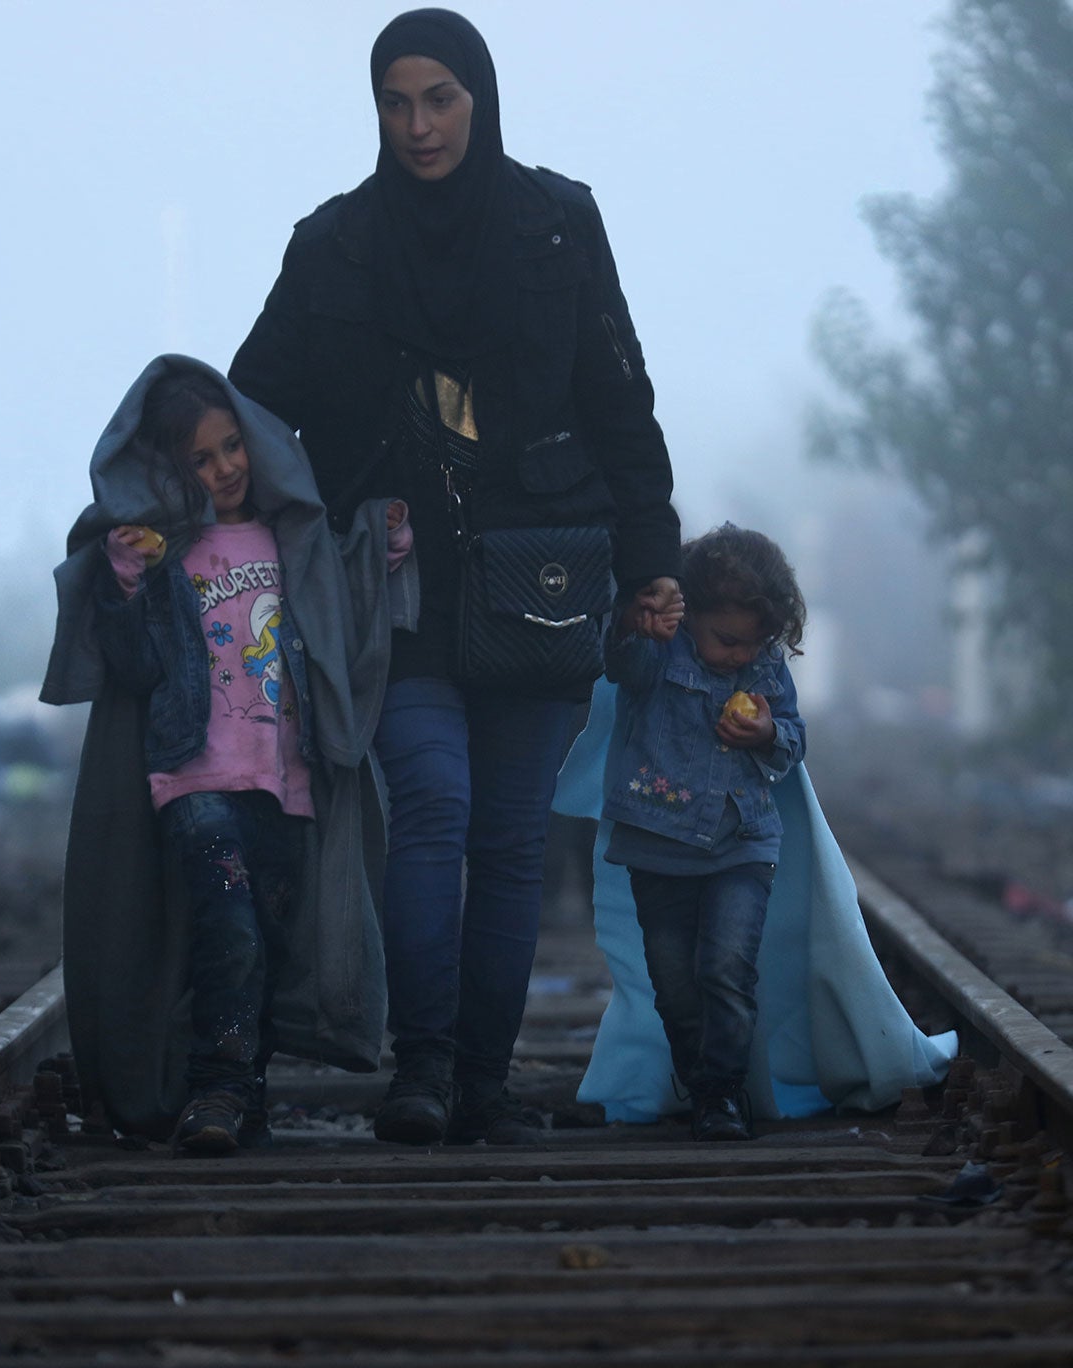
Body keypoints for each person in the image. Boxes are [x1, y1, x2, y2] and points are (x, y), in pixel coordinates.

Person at [230, 8, 682, 1146]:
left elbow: (619, 402)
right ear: (374, 109)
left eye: (439, 98)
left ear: (478, 99)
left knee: (511, 838)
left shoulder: (555, 227)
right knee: (431, 808)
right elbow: (250, 402)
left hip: (541, 581)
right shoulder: (333, 246)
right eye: (395, 100)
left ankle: (483, 1081)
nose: (418, 124)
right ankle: (421, 1071)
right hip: (399, 594)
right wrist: (172, 499)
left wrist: (651, 566)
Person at [39, 357, 414, 1152]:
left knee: (267, 943)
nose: (224, 469)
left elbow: (343, 616)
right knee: (230, 925)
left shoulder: (291, 536)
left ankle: (244, 1091)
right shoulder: (165, 550)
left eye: (231, 447)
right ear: (172, 470)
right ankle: (214, 1091)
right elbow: (134, 669)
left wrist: (384, 545)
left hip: (286, 782)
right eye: (200, 459)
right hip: (195, 775)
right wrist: (128, 579)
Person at [598, 525, 806, 1140]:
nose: (742, 655)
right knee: (675, 985)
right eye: (727, 640)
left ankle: (722, 1091)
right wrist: (638, 626)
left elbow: (794, 735)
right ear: (689, 614)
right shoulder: (659, 651)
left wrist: (769, 734)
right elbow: (619, 665)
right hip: (657, 845)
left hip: (742, 843)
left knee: (726, 970)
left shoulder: (764, 666)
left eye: (755, 643)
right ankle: (695, 1076)